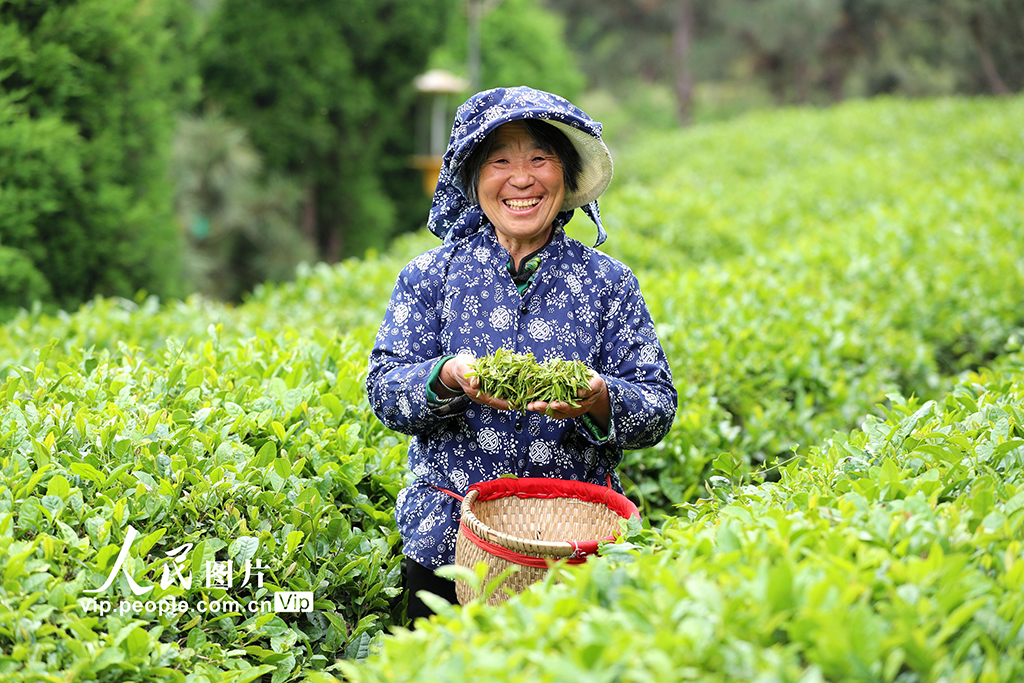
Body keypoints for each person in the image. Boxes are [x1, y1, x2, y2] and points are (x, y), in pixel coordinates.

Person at [366, 86, 677, 621]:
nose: (522, 178)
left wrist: (599, 398)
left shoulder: (608, 283)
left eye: (540, 158)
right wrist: (446, 376)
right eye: (500, 161)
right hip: (449, 545)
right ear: (472, 180)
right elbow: (384, 390)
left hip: (575, 548)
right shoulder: (430, 277)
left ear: (568, 175)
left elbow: (656, 406)